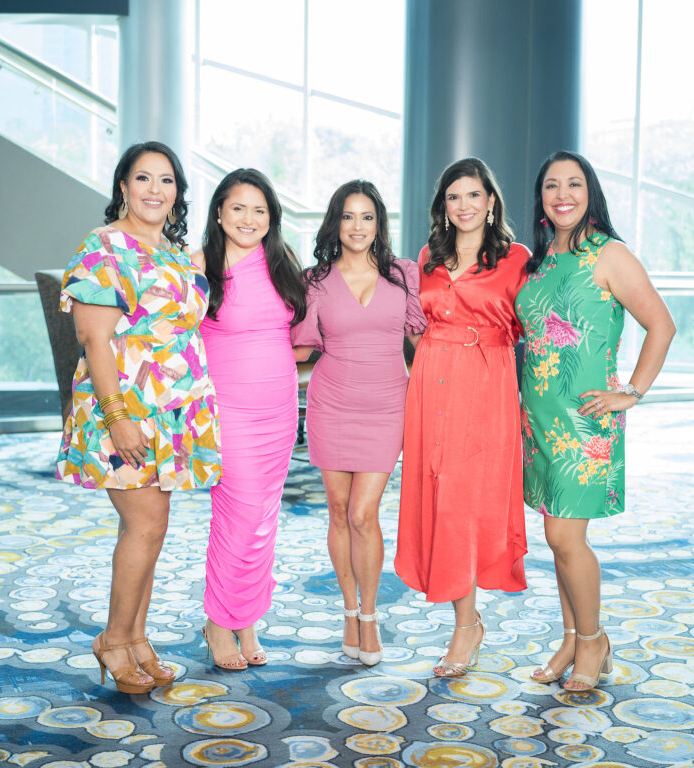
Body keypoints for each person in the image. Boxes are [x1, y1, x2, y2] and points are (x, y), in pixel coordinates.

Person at [56, 141, 222, 694]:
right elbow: (93, 338)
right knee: (145, 525)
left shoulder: (175, 251)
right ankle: (112, 639)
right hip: (124, 410)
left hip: (173, 413)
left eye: (167, 180)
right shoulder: (103, 247)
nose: (155, 190)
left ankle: (136, 638)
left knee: (150, 530)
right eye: (143, 178)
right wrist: (118, 418)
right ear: (122, 186)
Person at [515, 150, 675, 691]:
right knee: (555, 537)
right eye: (552, 185)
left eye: (574, 184)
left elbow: (662, 325)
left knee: (565, 537)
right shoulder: (537, 262)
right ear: (540, 199)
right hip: (538, 419)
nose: (563, 194)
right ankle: (570, 637)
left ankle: (593, 642)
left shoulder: (609, 255)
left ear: (591, 193)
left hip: (585, 423)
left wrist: (631, 391)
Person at [395, 157, 530, 677]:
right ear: (443, 207)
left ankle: (465, 627)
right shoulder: (429, 257)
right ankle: (467, 621)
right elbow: (413, 322)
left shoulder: (517, 258)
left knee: (469, 502)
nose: (465, 205)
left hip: (486, 384)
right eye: (454, 197)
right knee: (439, 495)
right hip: (431, 383)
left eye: (474, 195)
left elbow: (543, 321)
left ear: (491, 201)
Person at [291, 181, 427, 666]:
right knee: (338, 509)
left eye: (366, 217)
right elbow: (302, 348)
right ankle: (348, 614)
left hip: (389, 404)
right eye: (348, 217)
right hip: (332, 403)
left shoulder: (403, 275)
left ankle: (369, 618)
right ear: (335, 222)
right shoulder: (315, 281)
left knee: (364, 514)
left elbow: (423, 342)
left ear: (379, 223)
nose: (357, 226)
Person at [196, 169, 307, 670]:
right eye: (238, 208)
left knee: (263, 520)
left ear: (271, 218)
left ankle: (246, 617)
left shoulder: (284, 265)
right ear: (219, 212)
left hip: (279, 409)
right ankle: (218, 622)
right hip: (228, 411)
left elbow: (301, 338)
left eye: (259, 210)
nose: (248, 218)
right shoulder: (199, 266)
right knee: (237, 516)